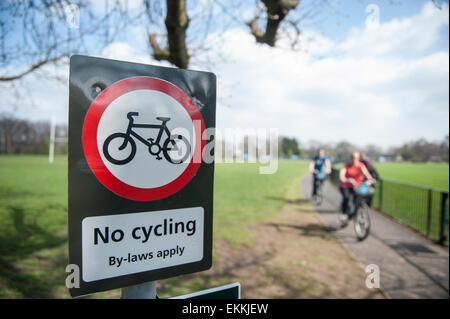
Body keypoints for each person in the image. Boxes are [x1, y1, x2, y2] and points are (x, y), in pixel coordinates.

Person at [339, 152, 376, 219]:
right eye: (353, 158)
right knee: (347, 197)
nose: (354, 160)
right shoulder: (346, 165)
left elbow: (366, 174)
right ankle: (344, 213)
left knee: (359, 199)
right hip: (346, 185)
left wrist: (371, 179)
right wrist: (346, 179)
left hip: (356, 186)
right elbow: (342, 175)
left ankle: (355, 213)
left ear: (358, 159)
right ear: (350, 158)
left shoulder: (361, 165)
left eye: (356, 158)